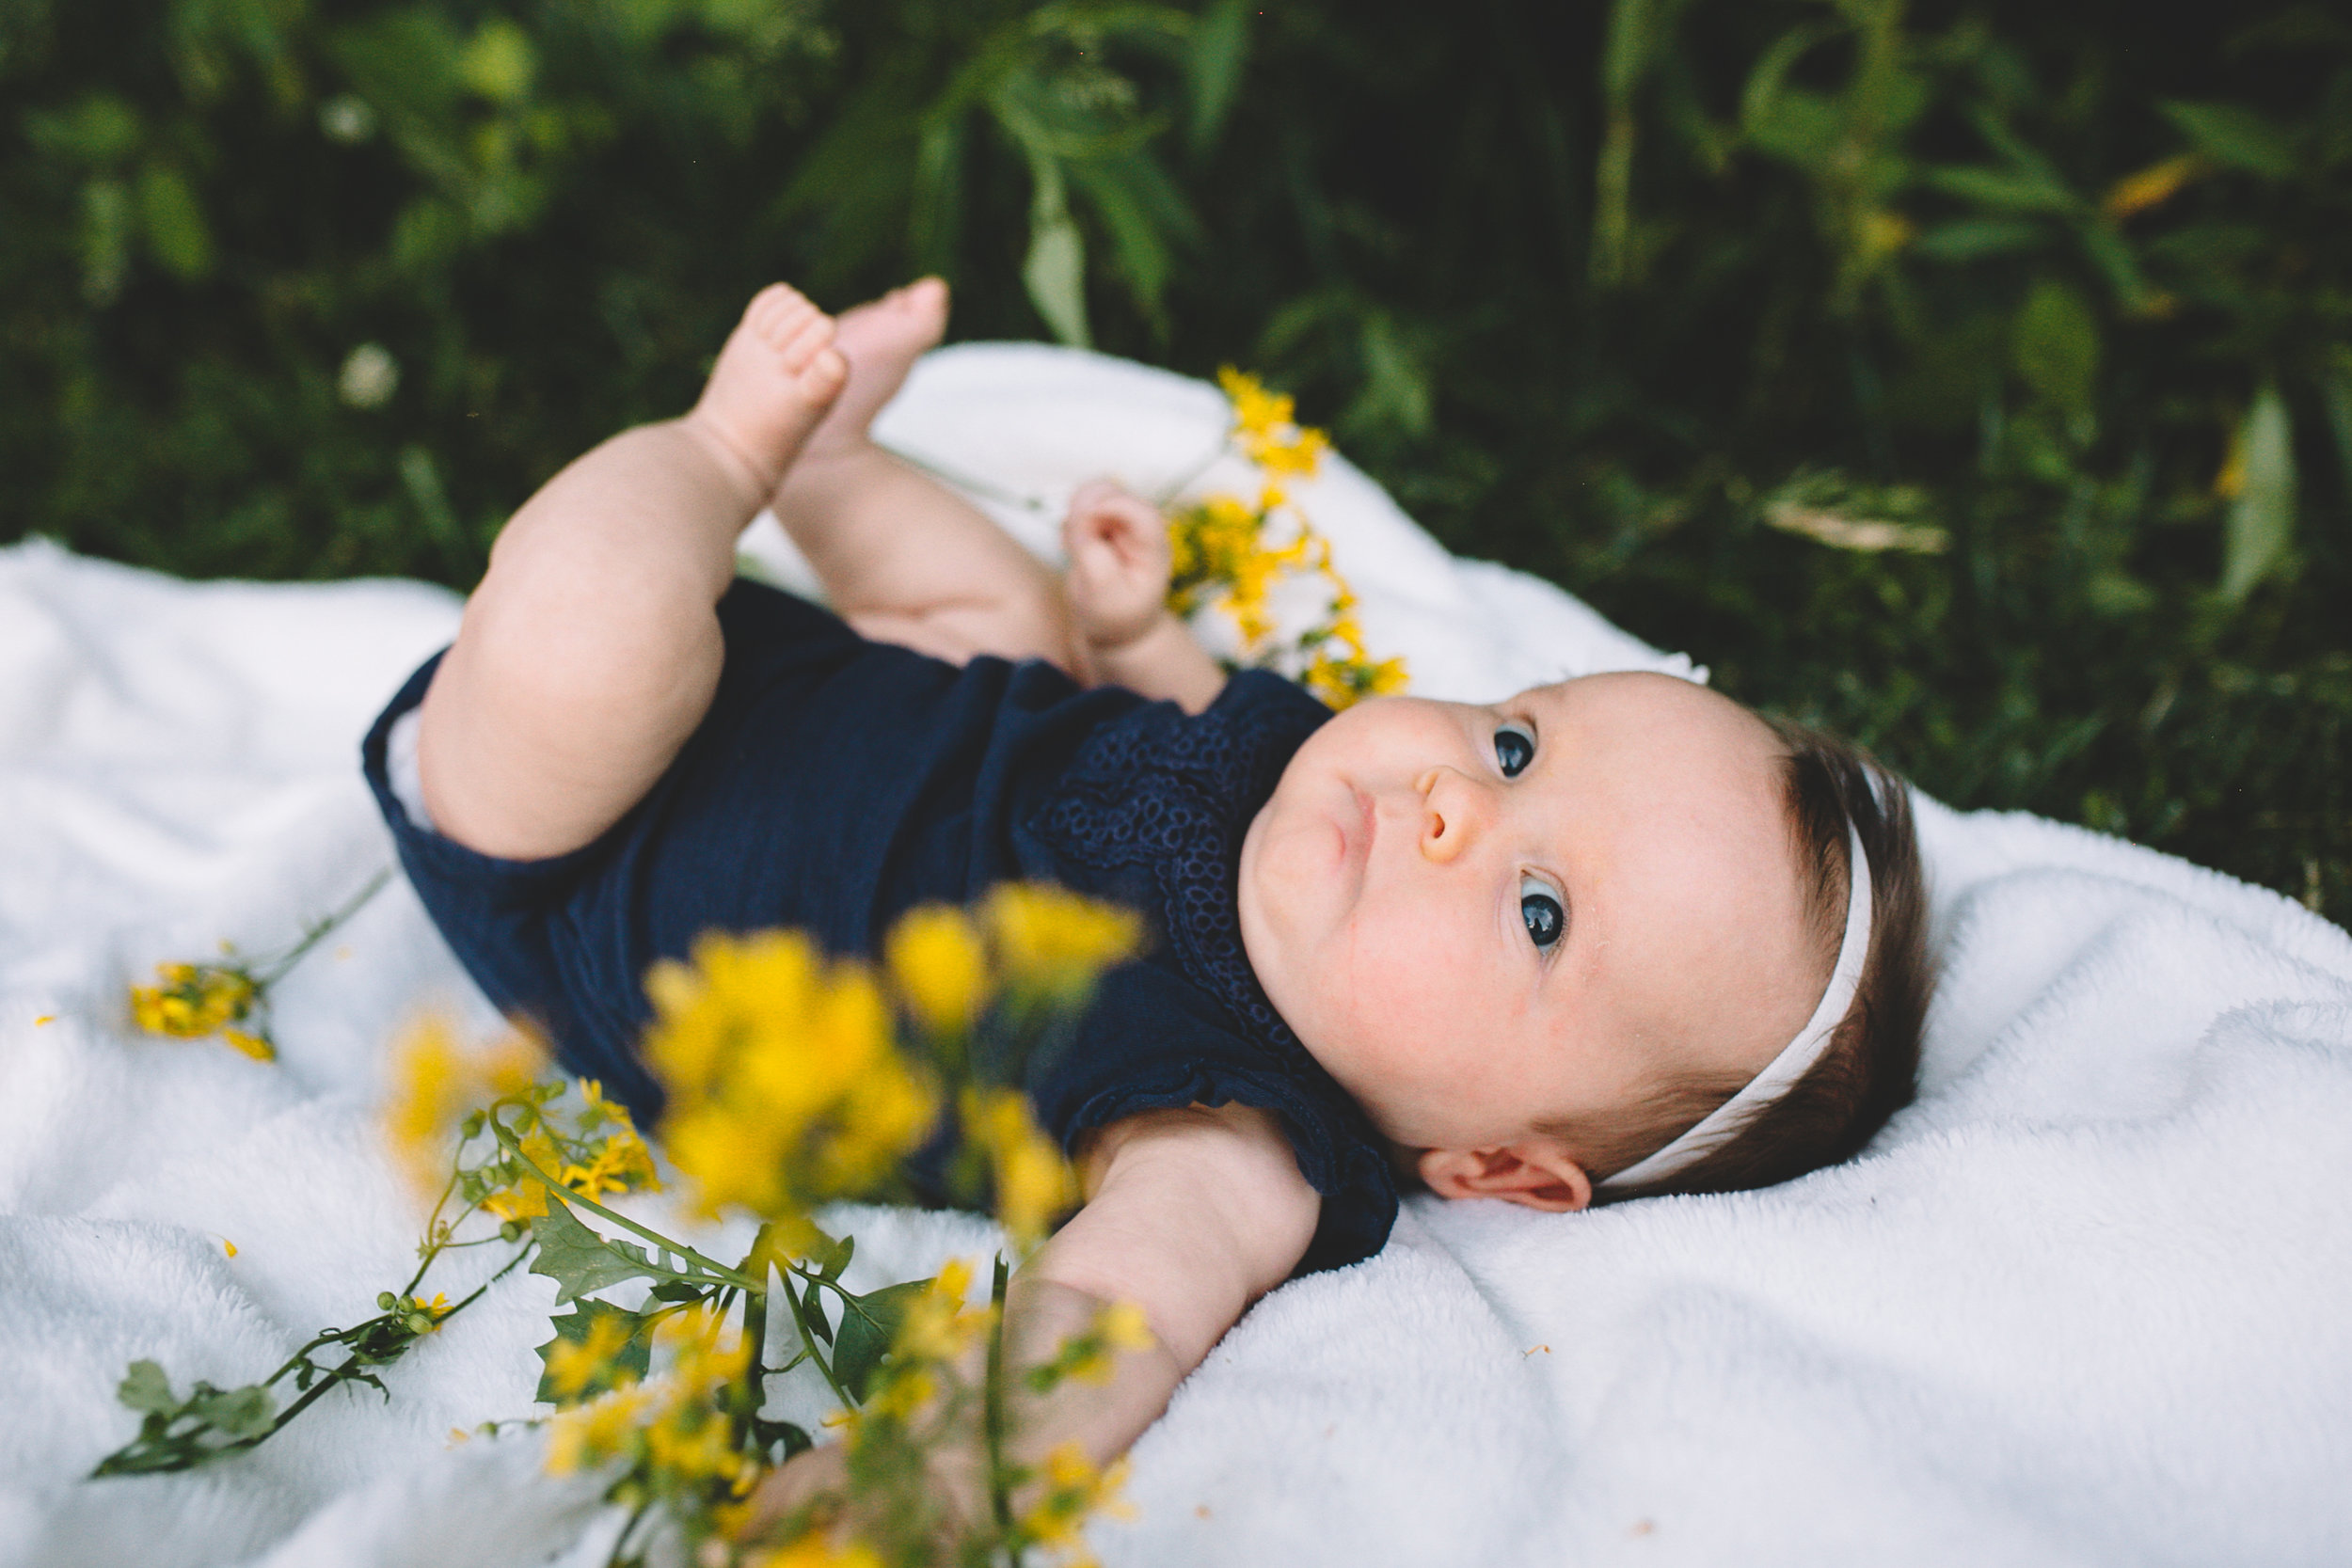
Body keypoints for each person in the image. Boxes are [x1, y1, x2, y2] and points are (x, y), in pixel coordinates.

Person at [360, 277, 1931, 1519]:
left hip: (582, 843)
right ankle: (830, 466)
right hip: (813, 675)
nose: (1455, 802)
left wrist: (946, 1472)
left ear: (1504, 1167)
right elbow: (1185, 719)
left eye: (1539, 913)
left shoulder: (1233, 1129)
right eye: (1516, 743)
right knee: (1016, 624)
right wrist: (1134, 633)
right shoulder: (1318, 782)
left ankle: (720, 451)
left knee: (591, 627)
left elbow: (1121, 1315)